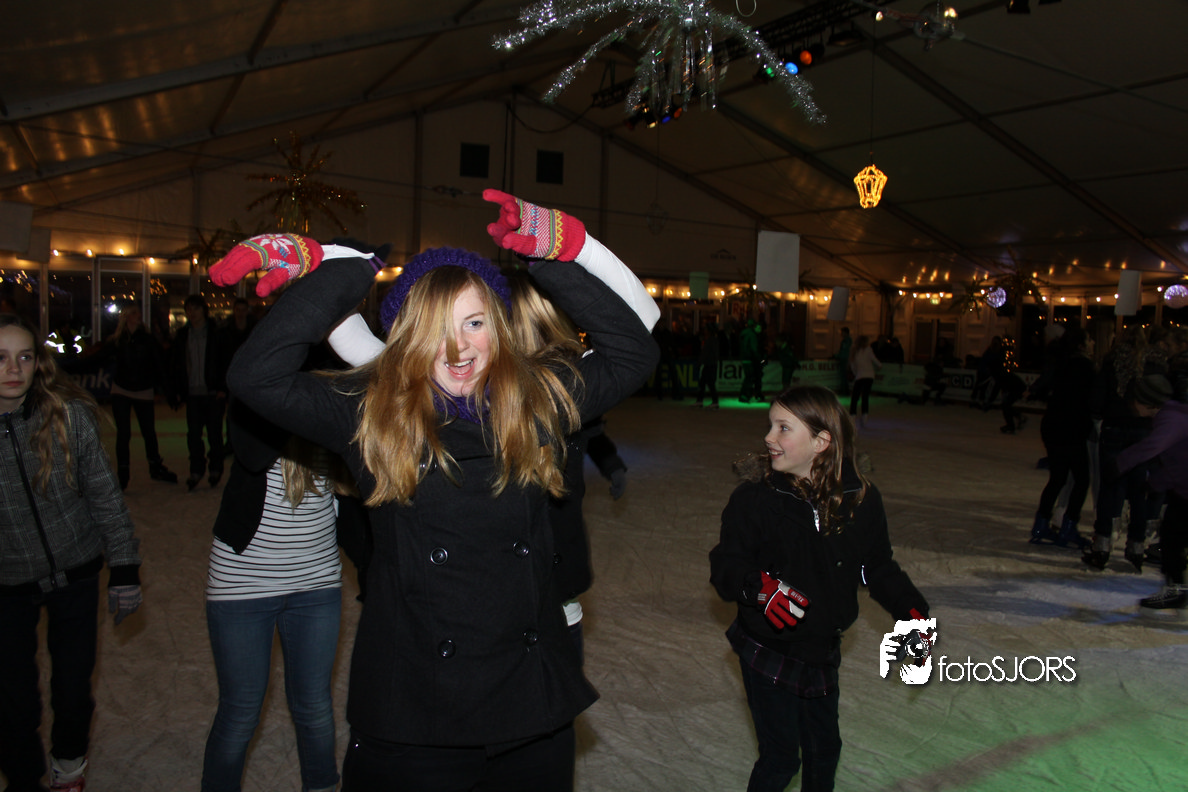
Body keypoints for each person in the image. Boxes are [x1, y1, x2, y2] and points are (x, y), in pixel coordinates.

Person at [211, 191, 659, 791]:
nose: (458, 347)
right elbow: (254, 377)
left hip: (529, 708)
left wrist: (560, 255)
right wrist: (338, 269)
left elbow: (634, 352)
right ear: (405, 337)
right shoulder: (370, 412)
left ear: (498, 327)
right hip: (417, 713)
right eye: (435, 328)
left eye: (474, 322)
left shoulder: (537, 402)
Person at [709, 385, 929, 792]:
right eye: (770, 425)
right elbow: (726, 565)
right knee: (780, 758)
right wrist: (759, 587)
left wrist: (911, 610)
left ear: (821, 441)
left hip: (822, 647)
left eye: (783, 428)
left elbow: (875, 566)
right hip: (768, 646)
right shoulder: (755, 500)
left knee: (824, 751)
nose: (768, 437)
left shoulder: (859, 499)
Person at [0, 313, 143, 792]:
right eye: (1, 358)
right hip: (7, 583)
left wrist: (124, 567)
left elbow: (105, 496)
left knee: (73, 687)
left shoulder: (68, 416)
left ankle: (68, 768)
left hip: (76, 573)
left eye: (24, 357)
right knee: (13, 696)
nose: (13, 369)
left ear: (38, 362)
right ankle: (24, 778)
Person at [201, 400, 360, 792]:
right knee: (241, 713)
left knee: (315, 708)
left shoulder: (335, 397)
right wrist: (288, 391)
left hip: (317, 582)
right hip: (244, 583)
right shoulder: (256, 393)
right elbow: (251, 453)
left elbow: (358, 495)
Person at [1116, 375, 1188, 608]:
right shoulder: (1171, 416)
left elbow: (1153, 447)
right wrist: (1155, 483)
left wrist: (1119, 463)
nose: (1132, 404)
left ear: (1148, 402)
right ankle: (1175, 589)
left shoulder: (1170, 420)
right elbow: (1177, 461)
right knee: (1172, 538)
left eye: (1136, 400)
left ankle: (1176, 589)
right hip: (1183, 491)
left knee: (1173, 538)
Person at [90, 305, 179, 490]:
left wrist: (169, 392)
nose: (138, 316)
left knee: (148, 432)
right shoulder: (117, 341)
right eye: (134, 313)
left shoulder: (148, 340)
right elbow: (97, 359)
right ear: (126, 318)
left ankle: (155, 466)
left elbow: (160, 366)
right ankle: (123, 473)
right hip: (121, 390)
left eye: (138, 313)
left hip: (143, 390)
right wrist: (71, 366)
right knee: (124, 433)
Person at [1026, 325, 1095, 547]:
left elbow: (1046, 385)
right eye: (1089, 339)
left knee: (1058, 478)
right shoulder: (1085, 367)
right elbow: (1092, 399)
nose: (1093, 343)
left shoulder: (1060, 363)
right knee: (1081, 479)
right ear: (1081, 345)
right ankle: (1068, 527)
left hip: (1054, 426)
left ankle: (1041, 524)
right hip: (1071, 428)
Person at [171, 294, 230, 490]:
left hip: (213, 393)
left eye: (196, 308)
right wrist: (178, 390)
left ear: (204, 310)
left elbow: (225, 361)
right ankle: (196, 469)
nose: (192, 313)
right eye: (189, 309)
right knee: (193, 435)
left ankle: (215, 468)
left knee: (214, 434)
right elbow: (177, 364)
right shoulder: (182, 335)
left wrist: (222, 388)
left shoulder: (217, 333)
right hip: (192, 393)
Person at [847, 335, 880, 426]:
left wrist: (855, 373)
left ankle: (852, 415)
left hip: (860, 376)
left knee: (855, 397)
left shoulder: (854, 351)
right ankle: (864, 416)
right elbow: (875, 360)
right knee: (865, 396)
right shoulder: (868, 350)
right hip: (869, 376)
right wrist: (879, 365)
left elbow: (852, 365)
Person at [695, 323, 721, 409]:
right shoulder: (712, 340)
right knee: (704, 383)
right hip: (710, 364)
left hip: (709, 364)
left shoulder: (710, 340)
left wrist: (700, 362)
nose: (704, 331)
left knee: (709, 383)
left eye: (706, 329)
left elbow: (705, 353)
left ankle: (714, 401)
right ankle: (700, 400)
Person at [739, 319, 764, 403]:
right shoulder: (752, 335)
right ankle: (745, 395)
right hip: (750, 359)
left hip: (745, 358)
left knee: (748, 377)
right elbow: (754, 348)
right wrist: (760, 359)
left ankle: (744, 394)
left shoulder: (744, 334)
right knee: (750, 377)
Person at [835, 327, 852, 397]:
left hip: (844, 360)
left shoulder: (846, 341)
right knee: (844, 376)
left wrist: (837, 356)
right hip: (844, 359)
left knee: (843, 376)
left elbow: (844, 351)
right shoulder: (847, 341)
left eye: (842, 332)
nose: (841, 334)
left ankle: (844, 391)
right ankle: (845, 390)